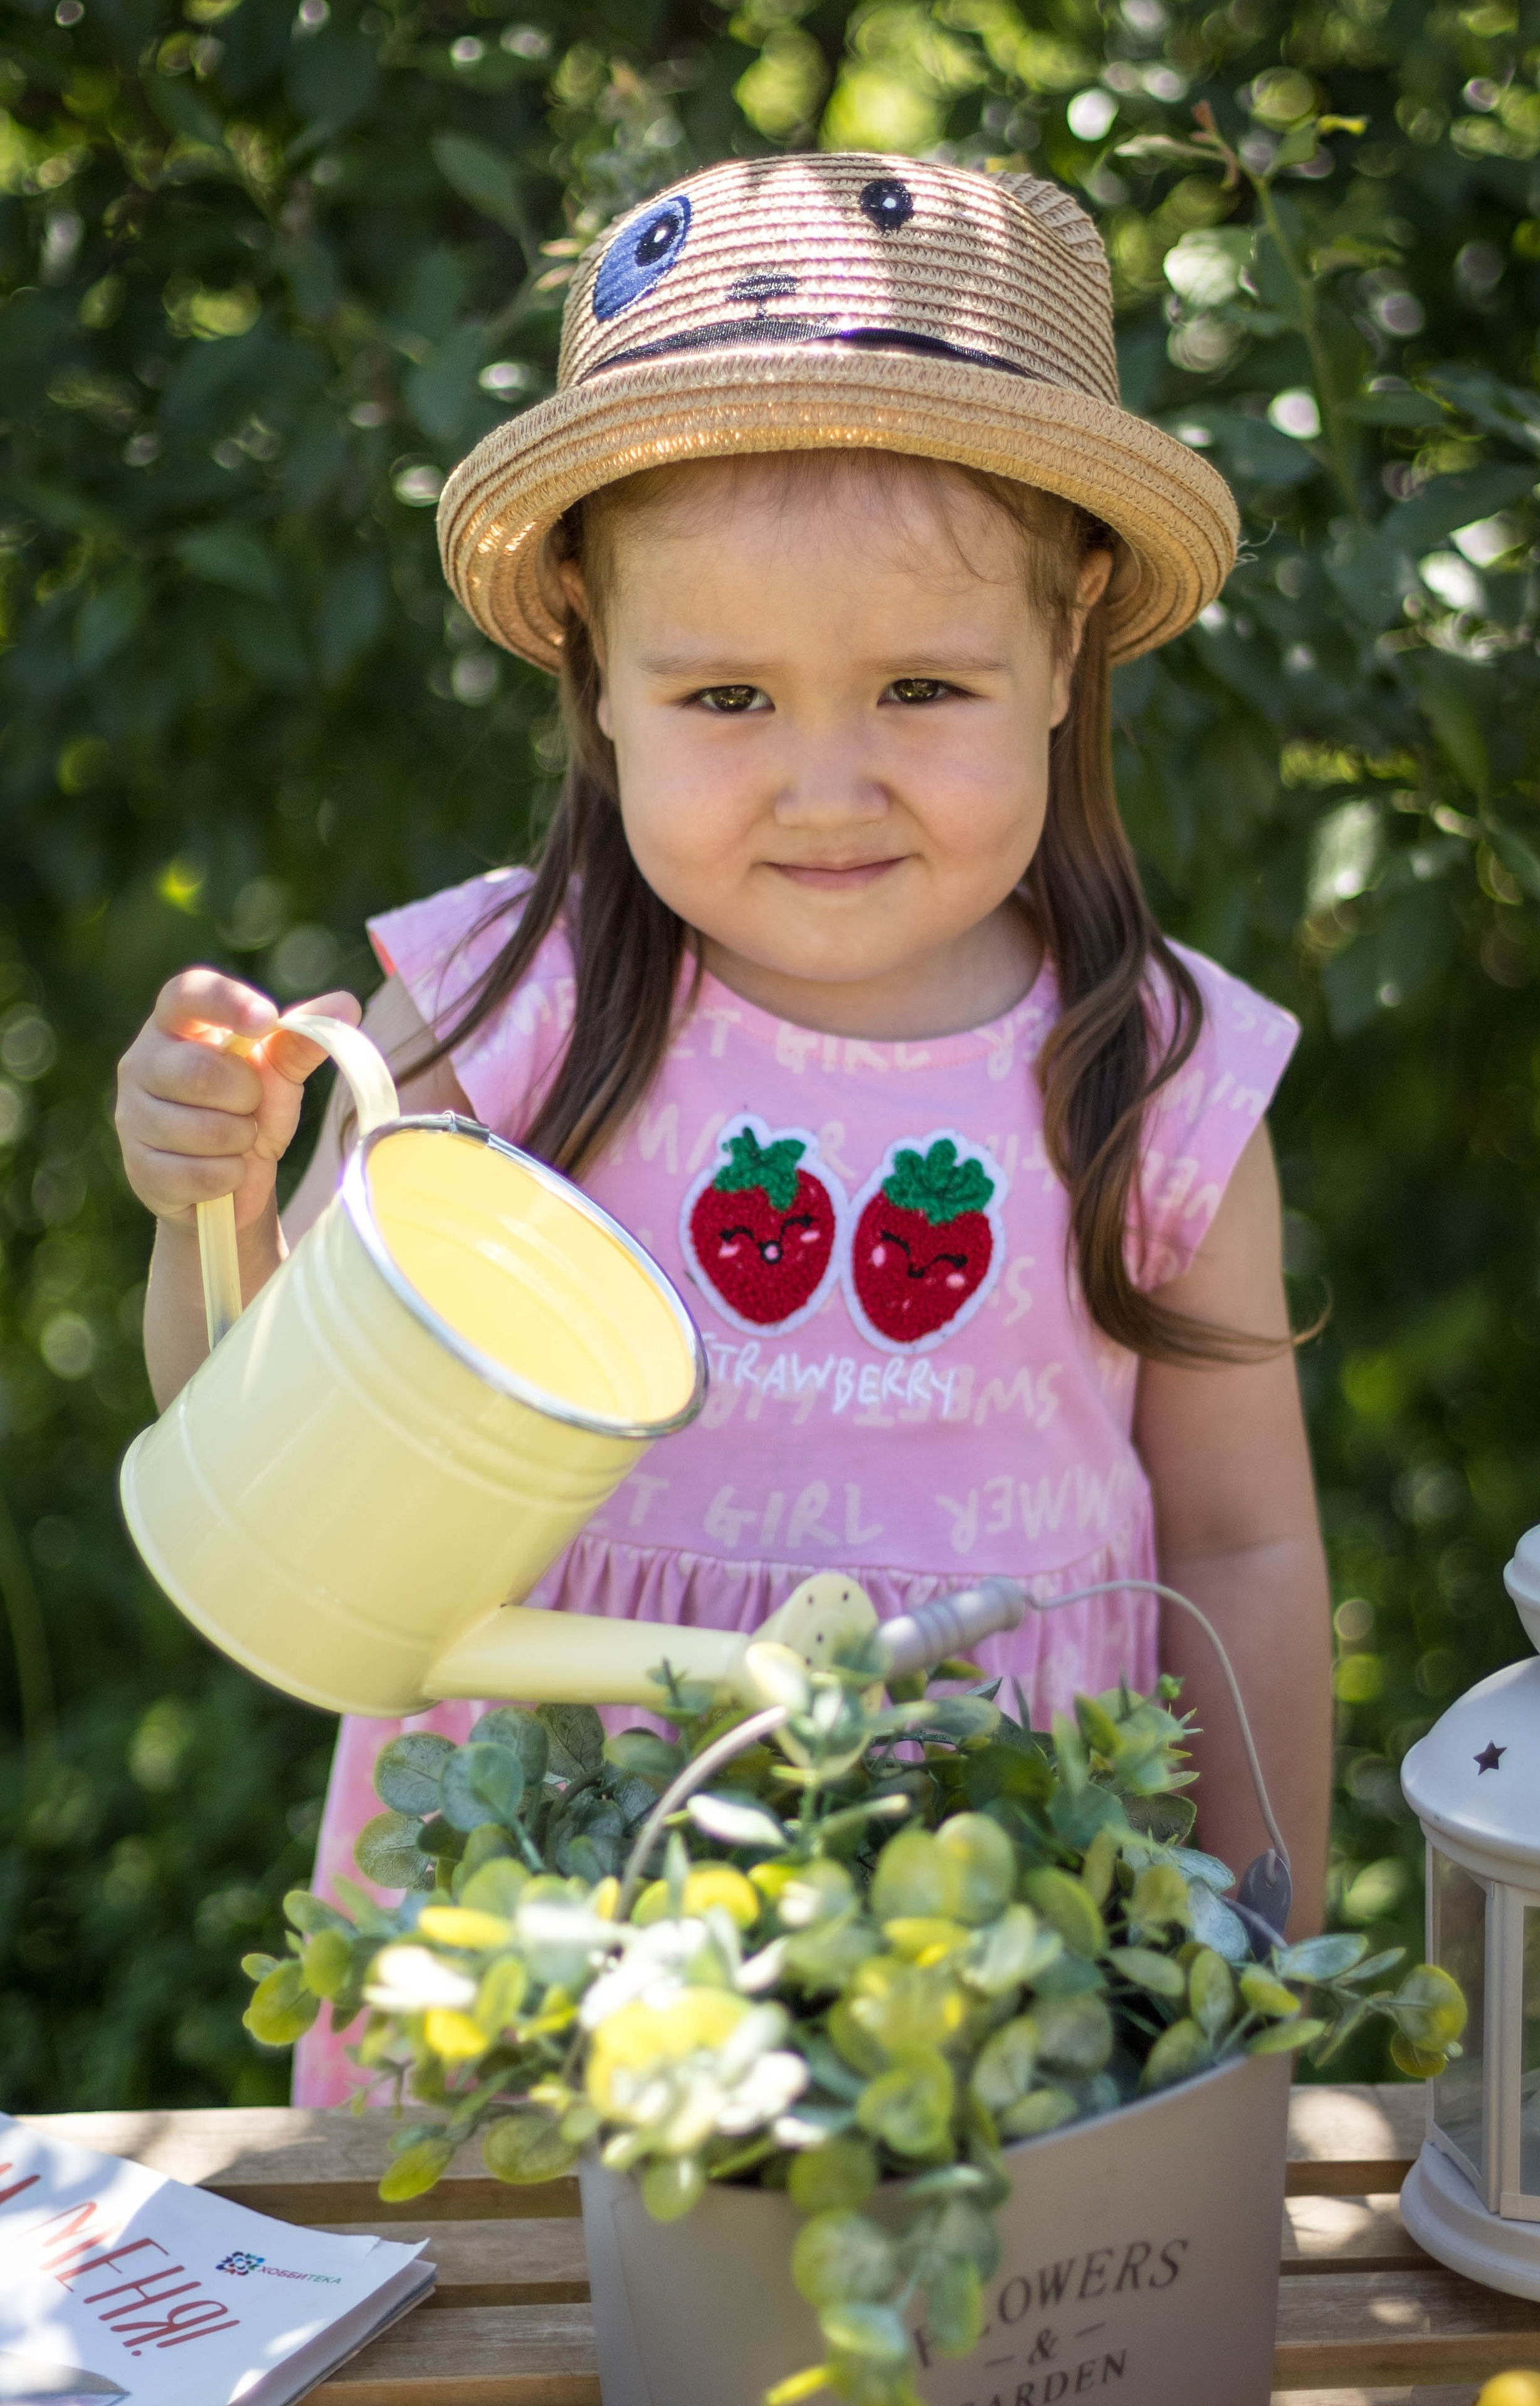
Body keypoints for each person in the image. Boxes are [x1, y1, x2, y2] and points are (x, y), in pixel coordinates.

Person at [114, 152, 1332, 2105]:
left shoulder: (1155, 1075)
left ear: (1074, 635)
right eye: (731, 696)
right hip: (531, 1942)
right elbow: (253, 1434)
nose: (825, 785)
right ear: (596, 659)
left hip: (999, 1955)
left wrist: (1244, 1935)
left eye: (923, 685)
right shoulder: (515, 1017)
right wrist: (217, 1207)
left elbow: (1248, 1546)